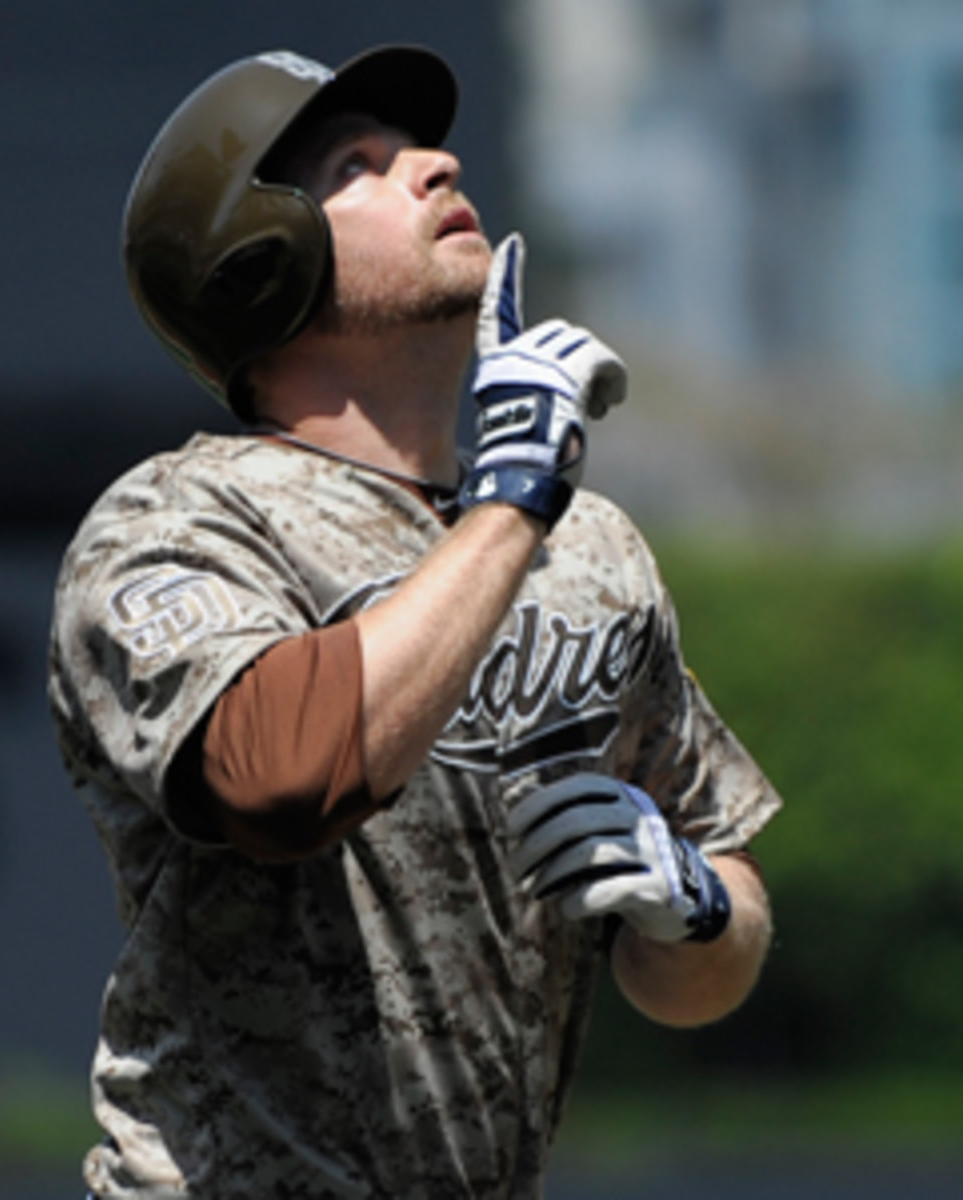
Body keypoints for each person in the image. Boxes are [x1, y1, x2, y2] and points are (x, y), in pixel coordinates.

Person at [48, 44, 782, 1200]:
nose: (437, 165)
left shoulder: (588, 550)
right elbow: (278, 778)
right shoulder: (175, 521)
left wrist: (690, 905)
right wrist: (511, 504)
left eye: (424, 148)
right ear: (258, 262)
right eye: (362, 165)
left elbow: (719, 938)